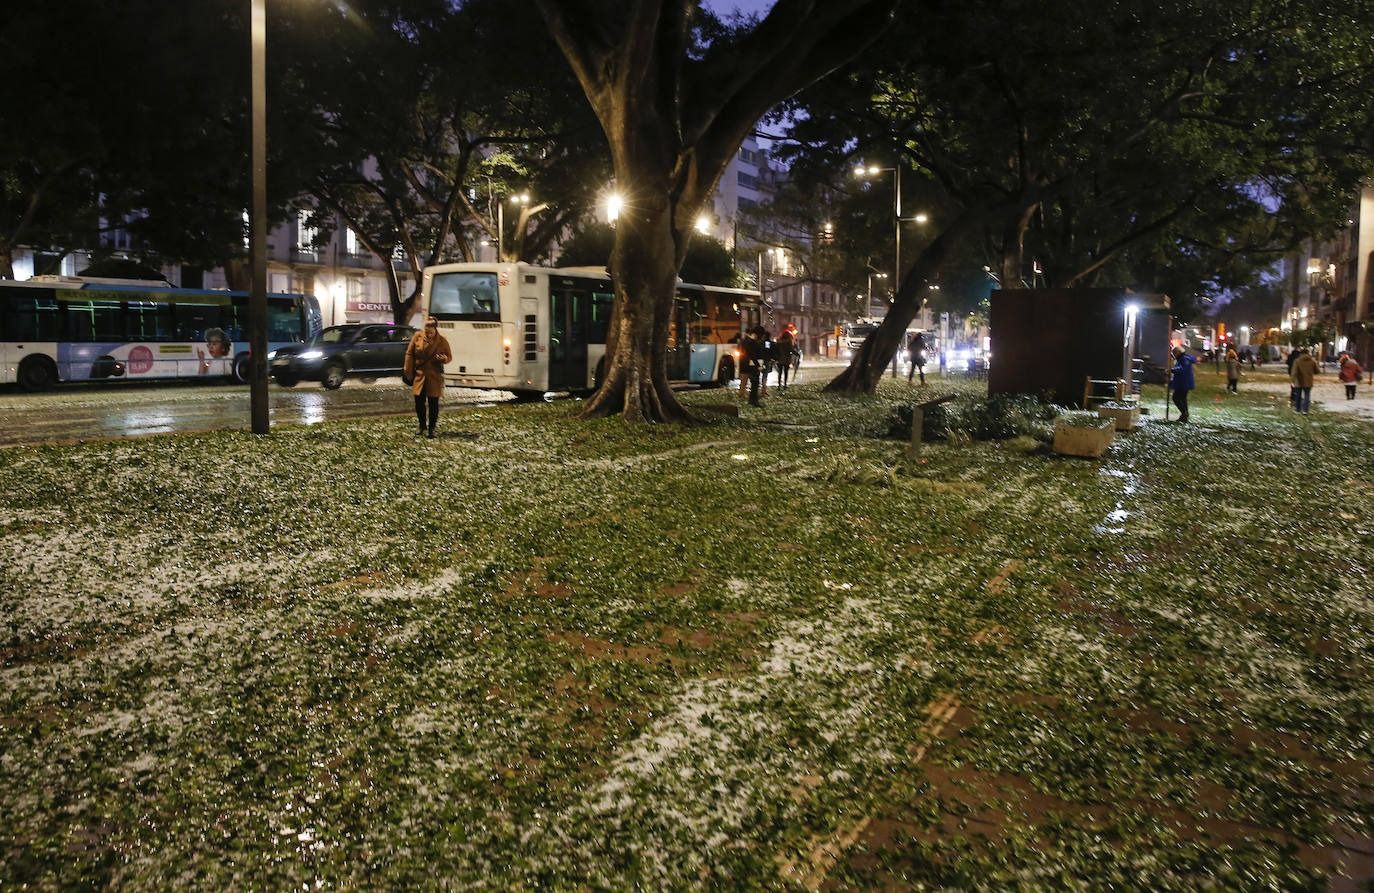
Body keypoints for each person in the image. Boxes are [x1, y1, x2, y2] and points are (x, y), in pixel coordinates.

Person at [404, 316, 452, 437]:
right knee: (419, 403)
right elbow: (409, 353)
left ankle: (432, 428)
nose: (428, 334)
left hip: (434, 376)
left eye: (431, 332)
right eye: (426, 332)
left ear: (435, 330)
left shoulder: (442, 341)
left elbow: (449, 357)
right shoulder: (417, 337)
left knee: (433, 404)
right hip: (419, 375)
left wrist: (444, 359)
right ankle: (422, 426)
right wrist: (408, 370)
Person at [738, 325, 765, 407]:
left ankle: (752, 400)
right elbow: (753, 355)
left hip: (750, 365)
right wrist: (758, 365)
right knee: (755, 384)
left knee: (754, 384)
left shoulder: (748, 341)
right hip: (753, 366)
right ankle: (753, 401)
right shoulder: (752, 342)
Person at [1169, 345, 1196, 422]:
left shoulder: (1184, 359)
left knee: (1176, 398)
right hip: (1184, 382)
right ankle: (1184, 415)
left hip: (1183, 383)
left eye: (1174, 354)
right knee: (1183, 399)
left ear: (1177, 353)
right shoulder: (1184, 358)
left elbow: (1182, 369)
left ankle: (1184, 413)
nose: (1174, 356)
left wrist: (1173, 370)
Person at [1290, 347, 1318, 413]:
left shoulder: (1297, 361)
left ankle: (1298, 409)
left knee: (1298, 395)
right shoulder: (1312, 361)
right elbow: (1317, 371)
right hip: (1308, 380)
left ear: (1301, 353)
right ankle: (1305, 410)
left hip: (1298, 381)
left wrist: (1292, 381)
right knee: (1307, 395)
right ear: (1308, 353)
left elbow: (1294, 372)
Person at [775, 325, 796, 390]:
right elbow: (791, 349)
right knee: (786, 372)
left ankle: (779, 385)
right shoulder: (789, 342)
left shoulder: (779, 342)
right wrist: (796, 353)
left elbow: (776, 349)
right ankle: (785, 384)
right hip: (786, 359)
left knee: (780, 372)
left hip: (779, 359)